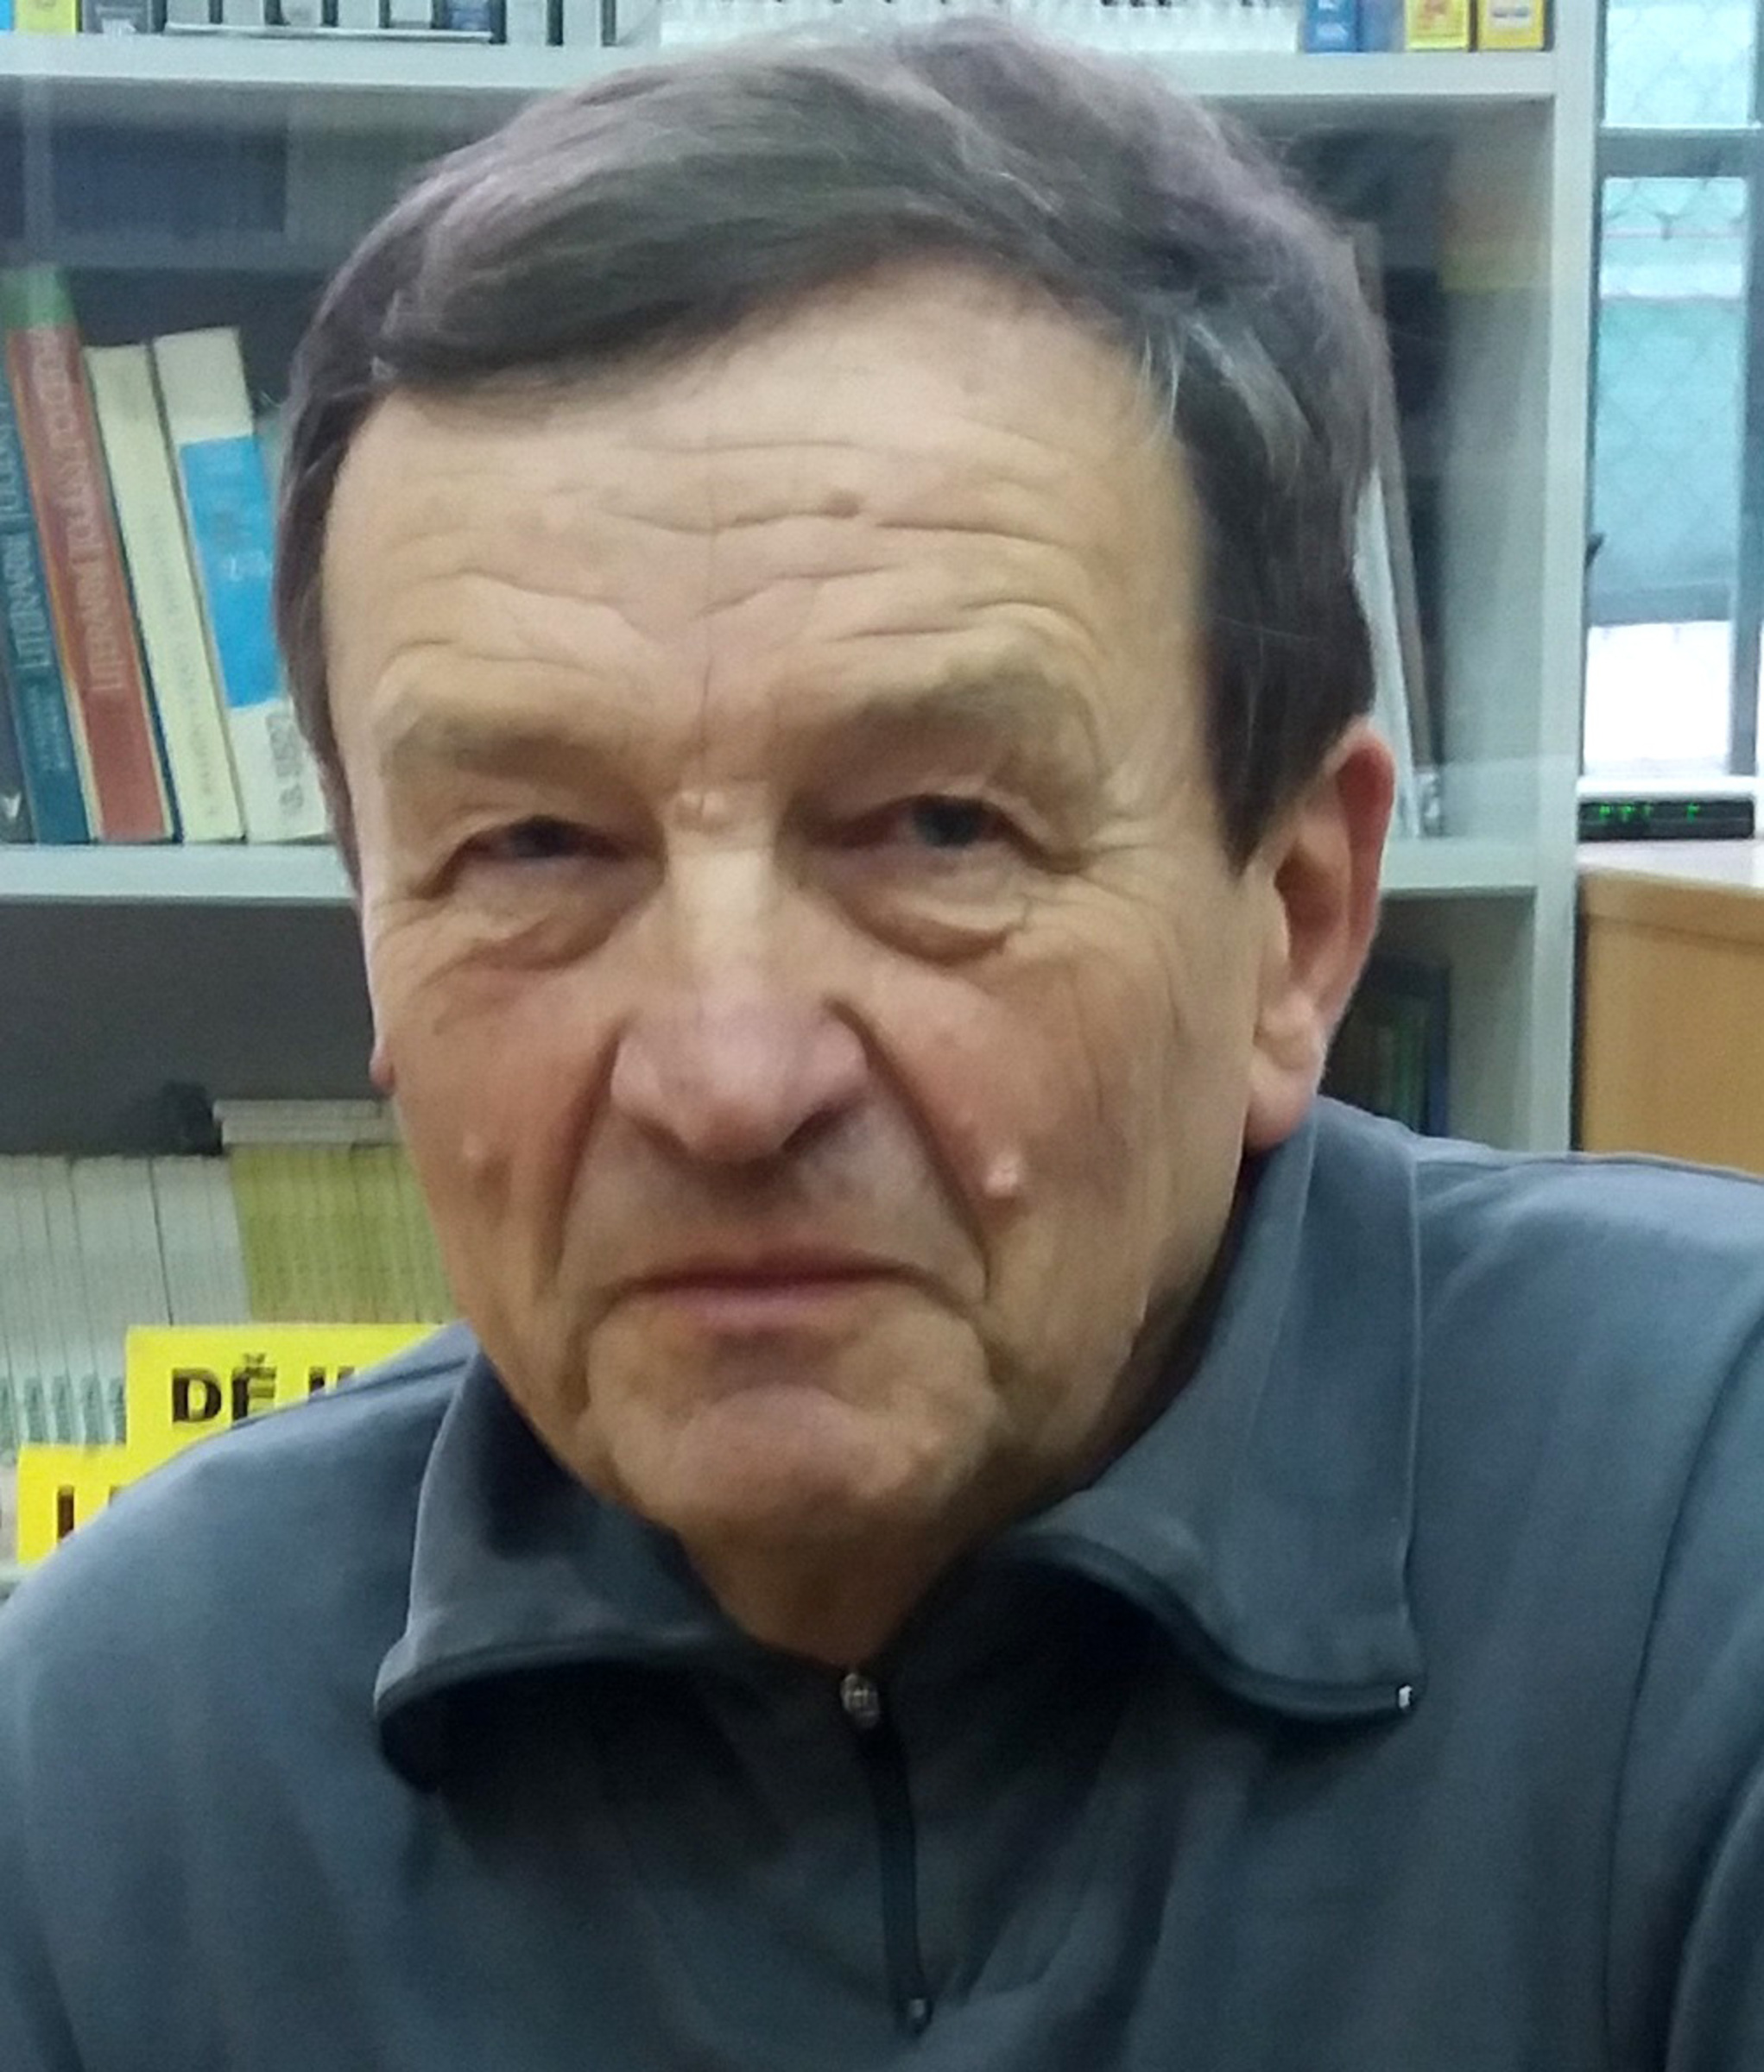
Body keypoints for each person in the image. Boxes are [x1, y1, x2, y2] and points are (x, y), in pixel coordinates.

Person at [5, 20, 1764, 2069]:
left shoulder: (1699, 1562)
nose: (725, 1079)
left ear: (1291, 925)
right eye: (533, 847)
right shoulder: (123, 1773)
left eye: (937, 826)